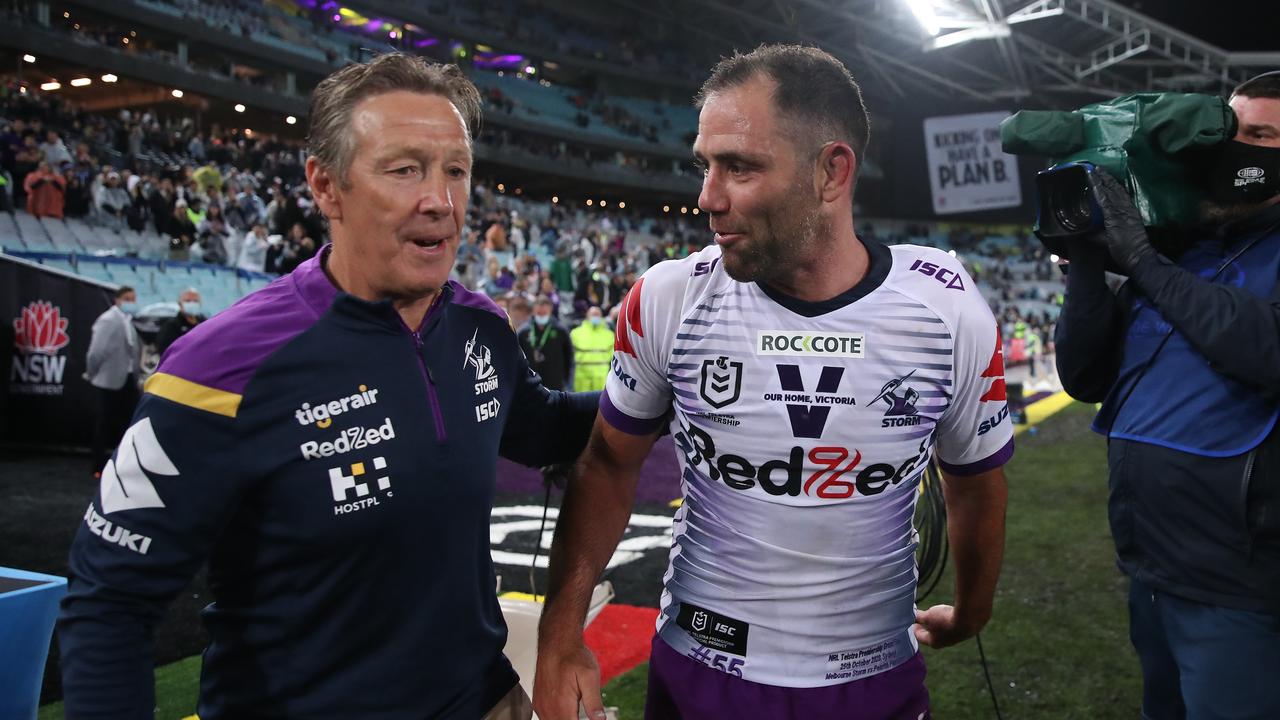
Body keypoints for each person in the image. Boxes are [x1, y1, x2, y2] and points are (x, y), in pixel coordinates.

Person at [58, 52, 600, 720]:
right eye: (405, 169)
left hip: (481, 701)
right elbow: (109, 599)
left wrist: (666, 388)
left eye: (455, 170)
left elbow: (542, 426)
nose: (441, 200)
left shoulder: (478, 328)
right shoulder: (220, 366)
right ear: (325, 186)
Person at [534, 44, 1013, 720]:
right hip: (699, 668)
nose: (707, 197)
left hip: (872, 679)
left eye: (740, 167)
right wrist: (559, 639)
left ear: (831, 172)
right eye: (706, 165)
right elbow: (608, 464)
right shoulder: (669, 297)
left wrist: (970, 611)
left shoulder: (945, 306)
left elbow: (975, 484)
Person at [1054, 71, 1280, 719]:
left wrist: (1143, 259)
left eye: (1260, 135)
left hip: (1244, 588)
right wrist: (1090, 263)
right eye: (1228, 131)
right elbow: (1085, 378)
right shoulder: (1190, 251)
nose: (1234, 148)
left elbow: (1267, 348)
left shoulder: (1168, 260)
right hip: (1151, 569)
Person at [84, 286, 141, 474]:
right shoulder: (108, 320)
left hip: (126, 379)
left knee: (127, 424)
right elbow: (95, 352)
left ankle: (124, 465)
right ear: (117, 300)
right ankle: (98, 467)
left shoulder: (128, 321)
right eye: (127, 298)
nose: (131, 302)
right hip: (107, 380)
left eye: (133, 298)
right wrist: (92, 373)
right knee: (103, 425)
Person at [517, 295, 573, 391]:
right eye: (539, 313)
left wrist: (567, 381)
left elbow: (569, 356)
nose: (541, 316)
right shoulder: (523, 331)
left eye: (544, 313)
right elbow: (517, 357)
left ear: (550, 311)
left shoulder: (560, 330)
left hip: (555, 383)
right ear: (533, 311)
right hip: (531, 382)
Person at [568, 305, 612, 392]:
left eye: (597, 314)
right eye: (593, 314)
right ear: (587, 316)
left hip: (602, 378)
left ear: (601, 316)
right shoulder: (575, 333)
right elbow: (569, 355)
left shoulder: (610, 335)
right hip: (581, 378)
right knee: (580, 404)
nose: (595, 317)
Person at [155, 288, 206, 355]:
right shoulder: (170, 326)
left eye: (195, 301)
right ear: (180, 304)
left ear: (200, 304)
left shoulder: (205, 323)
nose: (192, 304)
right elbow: (164, 352)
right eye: (188, 301)